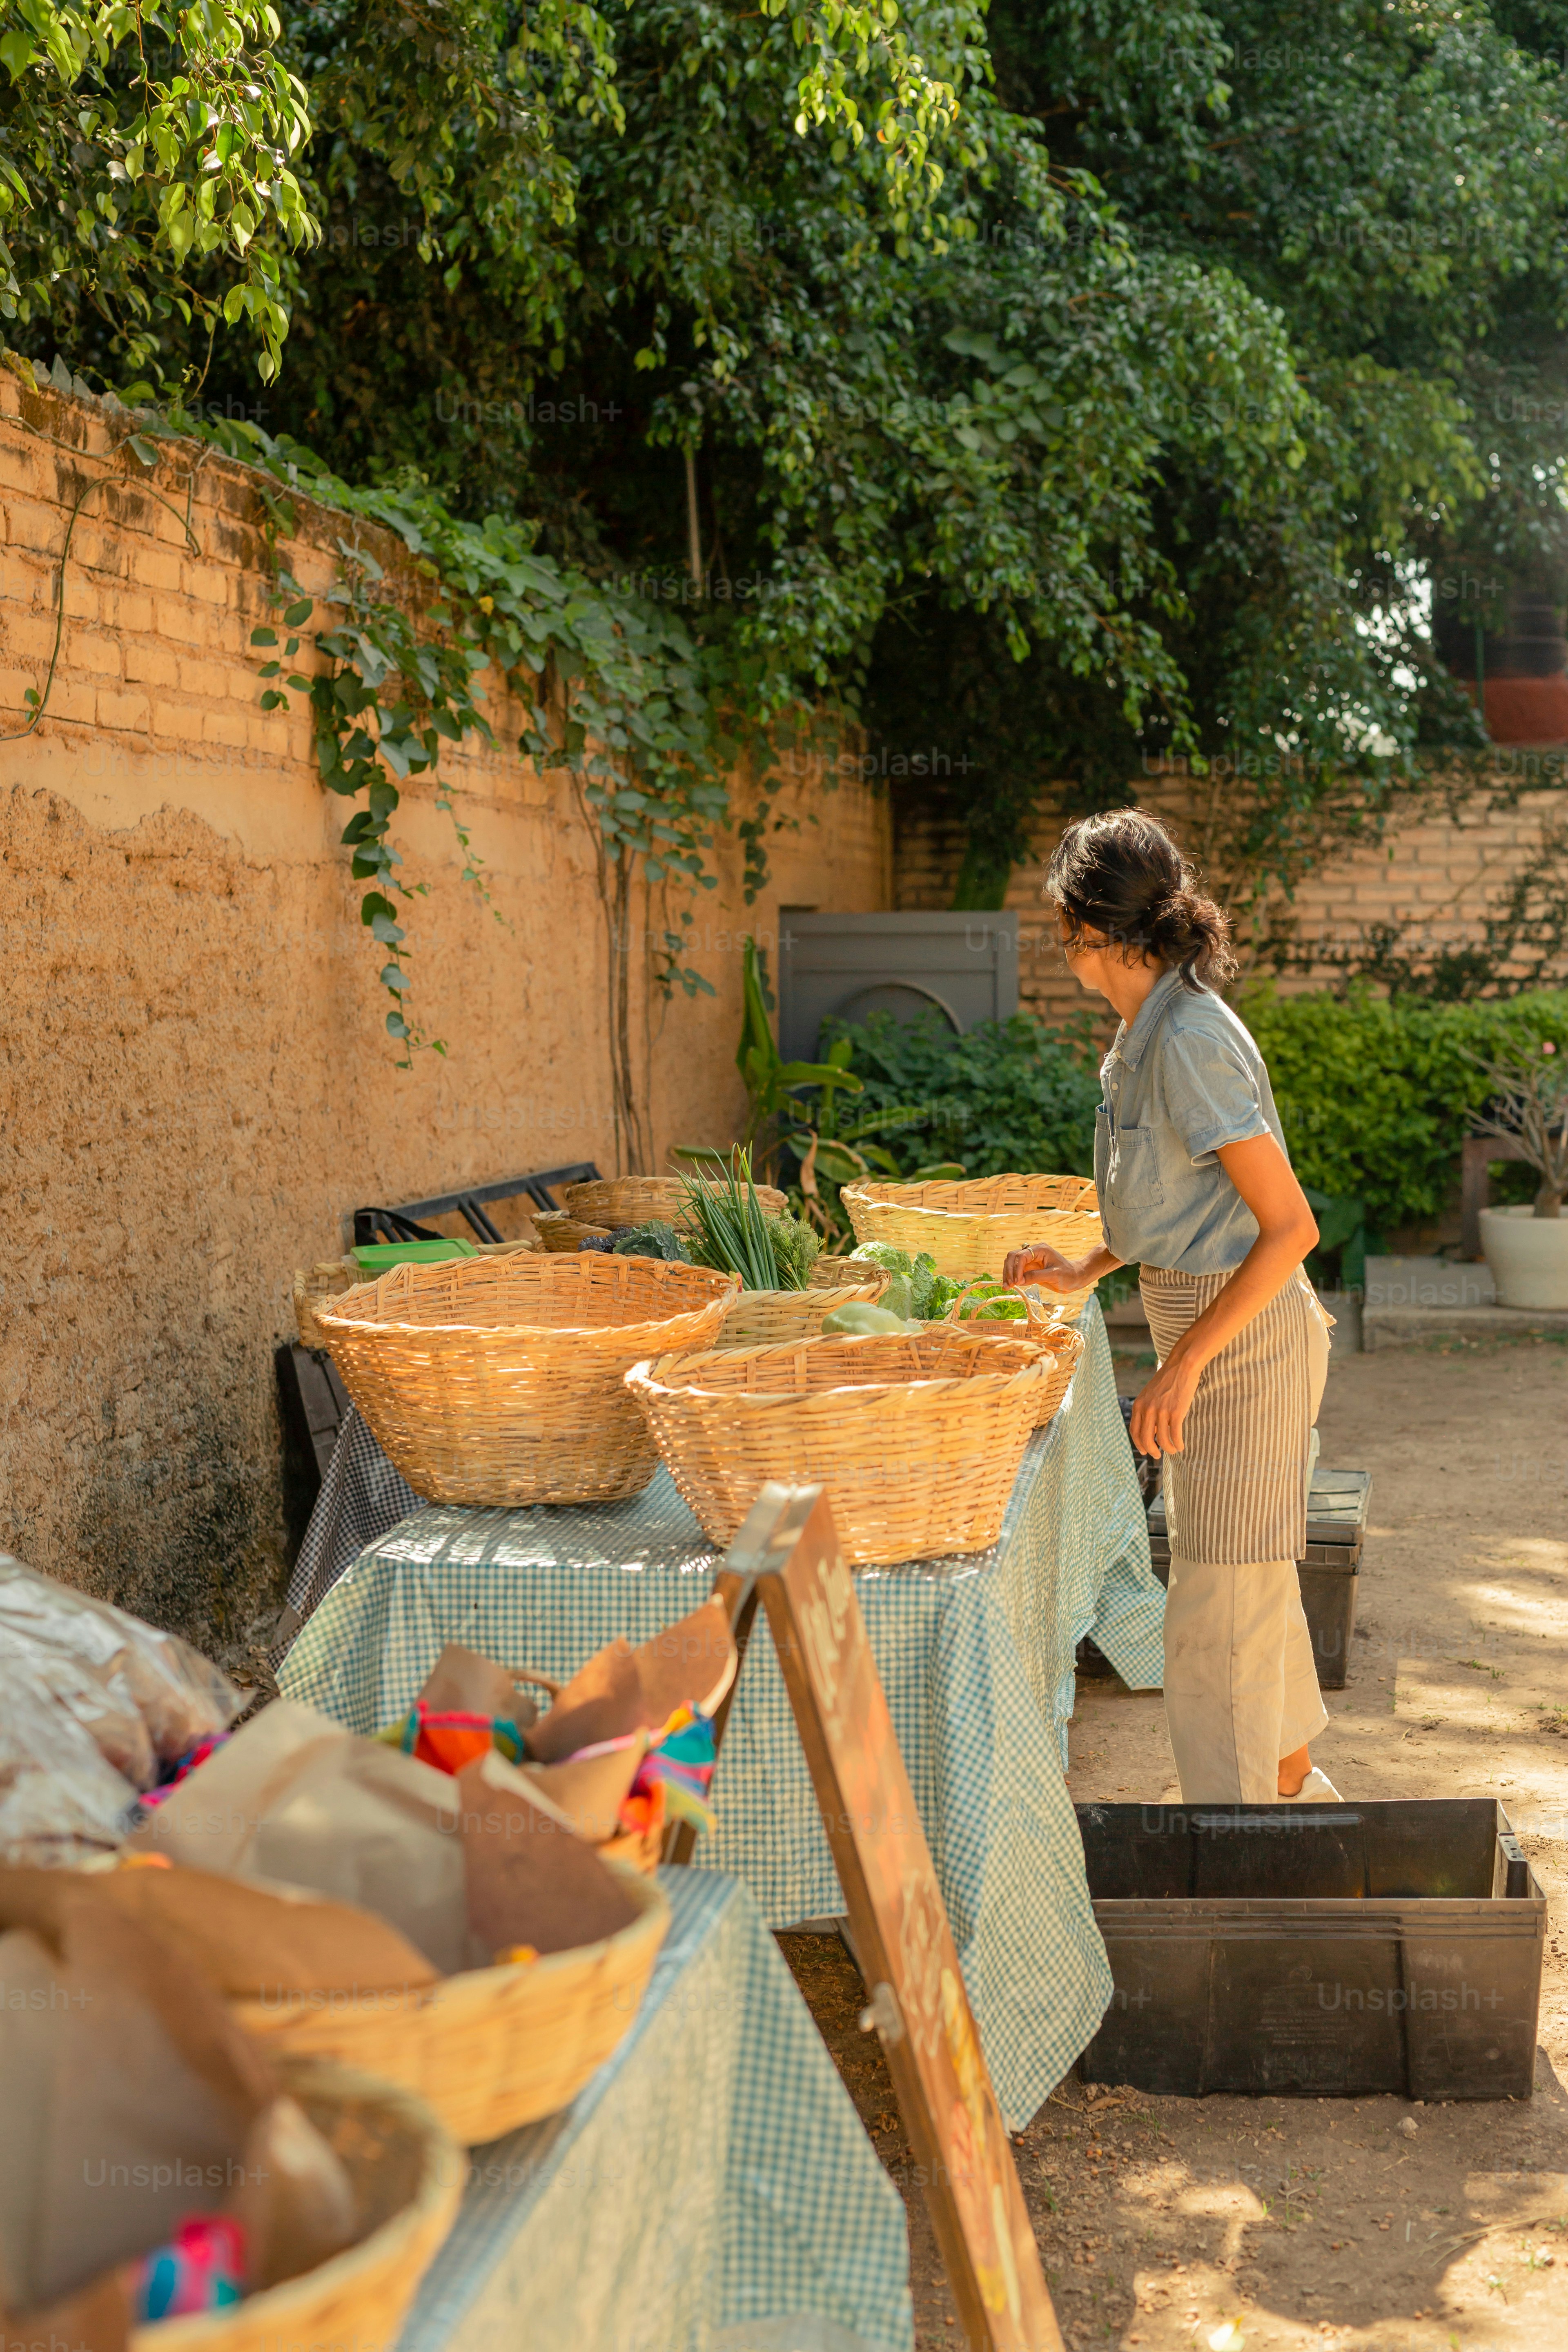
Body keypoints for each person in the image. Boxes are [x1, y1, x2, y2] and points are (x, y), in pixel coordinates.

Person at [1003, 809, 1338, 1806]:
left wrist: (1186, 1360)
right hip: (1217, 1324)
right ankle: (1289, 1806)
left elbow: (1290, 1227)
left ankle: (1231, 1847)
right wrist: (1085, 1267)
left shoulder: (1188, 1038)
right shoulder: (1148, 1029)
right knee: (1246, 1587)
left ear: (1085, 931)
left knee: (1215, 1611)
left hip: (1244, 1340)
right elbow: (1184, 1199)